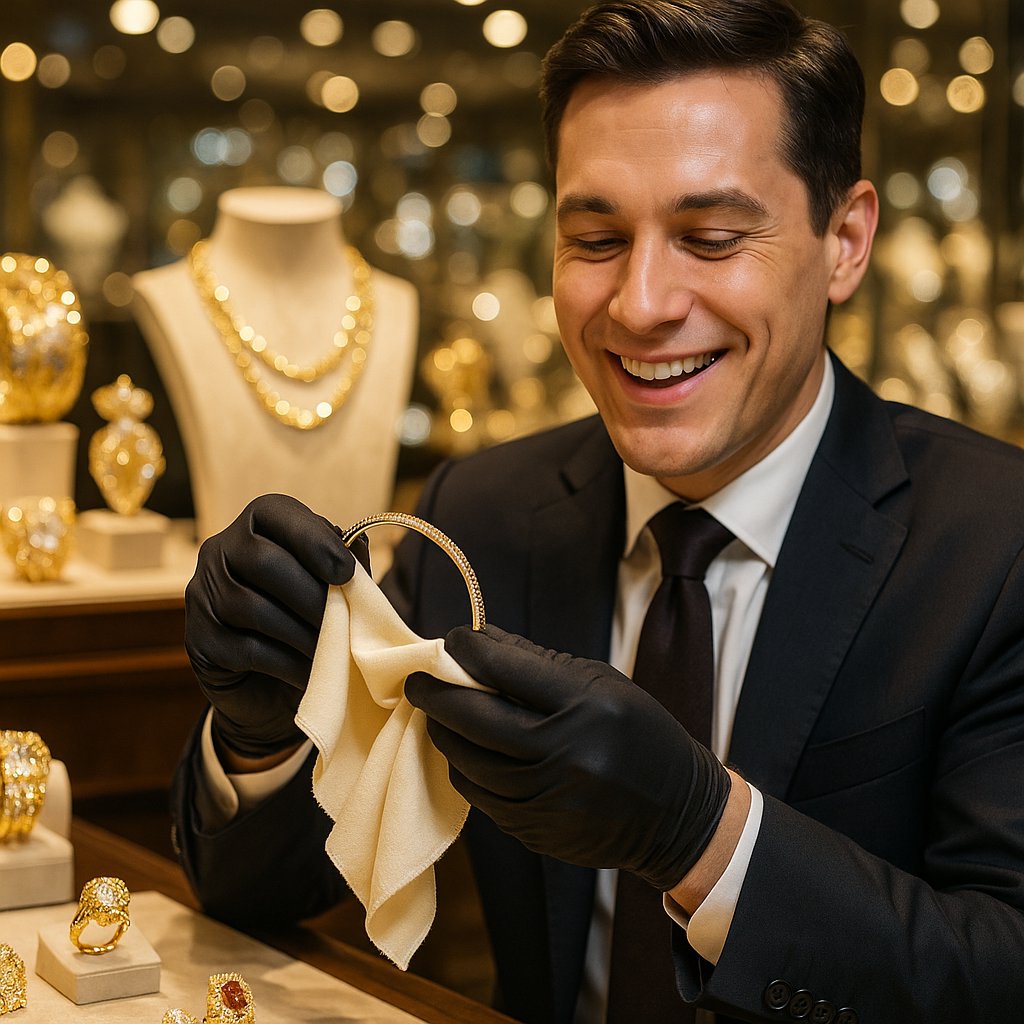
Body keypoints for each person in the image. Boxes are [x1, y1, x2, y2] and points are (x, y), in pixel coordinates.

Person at [171, 1, 1024, 1021]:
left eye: (709, 238)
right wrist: (259, 735)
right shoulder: (480, 511)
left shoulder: (994, 544)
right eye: (595, 237)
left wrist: (699, 834)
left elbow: (1001, 969)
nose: (639, 303)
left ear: (844, 240)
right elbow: (261, 892)